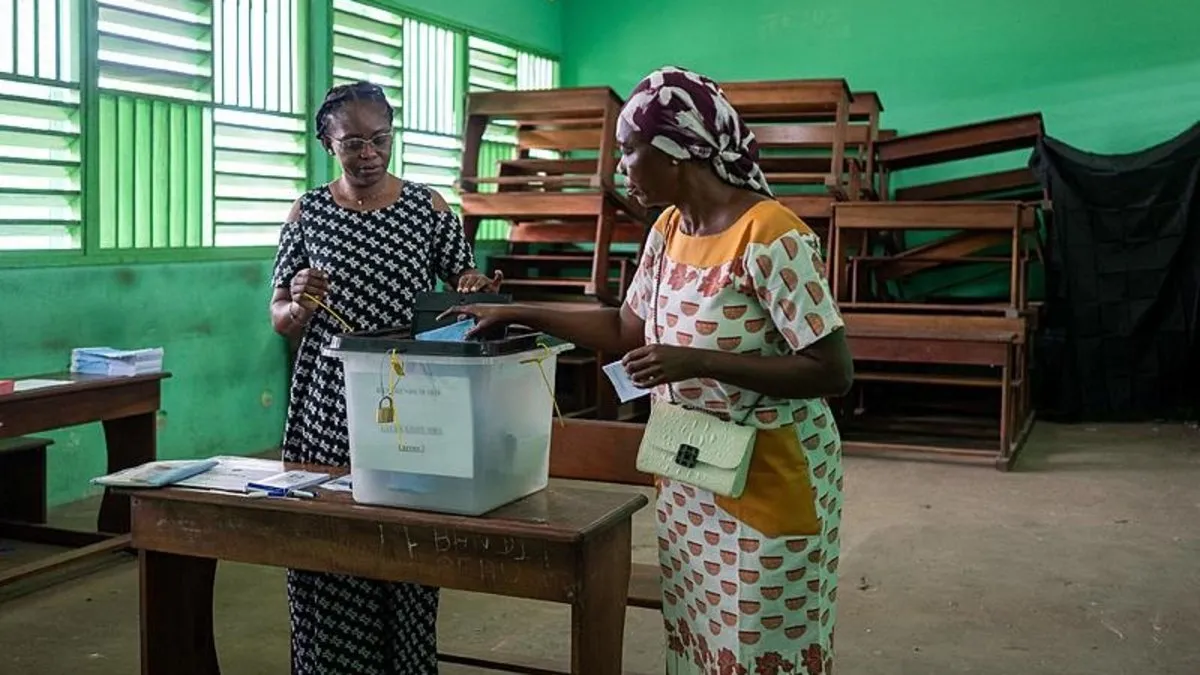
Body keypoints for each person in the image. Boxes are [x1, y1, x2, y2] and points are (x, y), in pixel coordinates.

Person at [446, 66, 853, 675]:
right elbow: (625, 330)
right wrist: (516, 311)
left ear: (679, 152)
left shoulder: (771, 237)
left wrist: (695, 362)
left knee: (759, 644)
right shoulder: (666, 230)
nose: (620, 168)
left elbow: (831, 369)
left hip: (769, 475)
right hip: (691, 474)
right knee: (694, 636)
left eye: (630, 150)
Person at [268, 80, 498, 675]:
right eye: (352, 143)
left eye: (379, 140)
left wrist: (471, 287)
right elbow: (279, 319)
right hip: (327, 399)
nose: (367, 153)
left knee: (407, 532)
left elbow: (462, 285)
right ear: (327, 144)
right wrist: (300, 304)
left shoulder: (428, 207)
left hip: (410, 392)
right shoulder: (308, 210)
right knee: (327, 534)